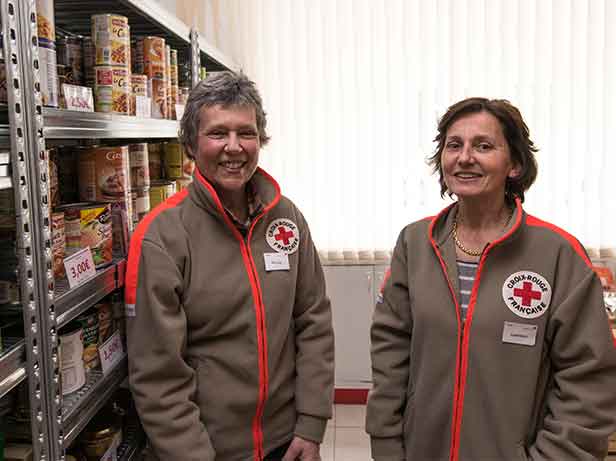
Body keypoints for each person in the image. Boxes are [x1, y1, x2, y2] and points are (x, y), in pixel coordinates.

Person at [366, 97, 616, 460]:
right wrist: (387, 444)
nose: (465, 157)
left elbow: (589, 377)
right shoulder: (415, 244)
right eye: (455, 145)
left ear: (514, 164)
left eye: (483, 146)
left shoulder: (558, 254)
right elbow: (391, 353)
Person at [125, 71, 334, 461]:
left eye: (247, 133)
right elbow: (159, 374)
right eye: (218, 133)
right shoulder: (162, 237)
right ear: (191, 143)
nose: (234, 147)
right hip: (208, 449)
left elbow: (313, 321)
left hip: (288, 443)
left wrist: (311, 423)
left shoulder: (286, 219)